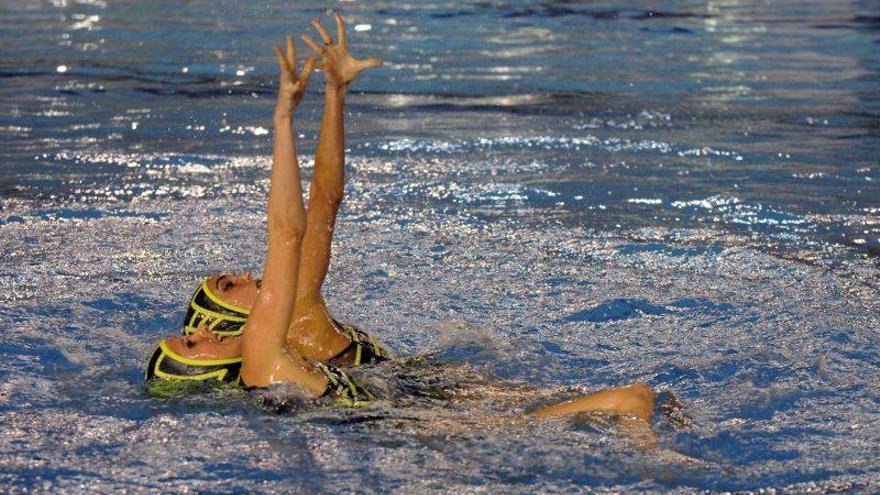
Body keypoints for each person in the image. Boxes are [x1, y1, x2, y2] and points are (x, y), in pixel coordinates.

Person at [144, 15, 658, 431]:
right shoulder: (268, 353)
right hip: (416, 419)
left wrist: (332, 95)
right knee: (618, 403)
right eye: (225, 289)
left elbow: (319, 206)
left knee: (605, 405)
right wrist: (285, 119)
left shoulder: (270, 363)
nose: (204, 328)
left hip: (408, 393)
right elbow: (296, 225)